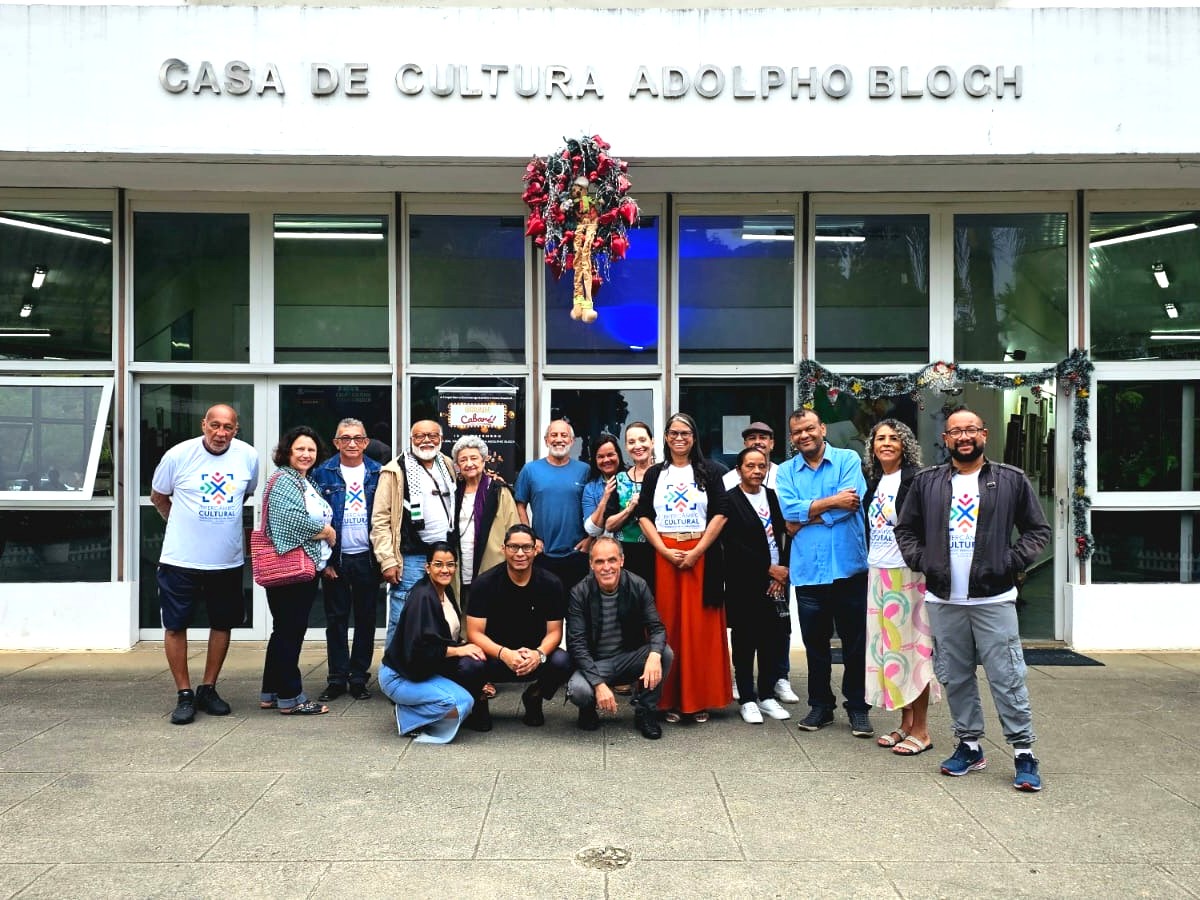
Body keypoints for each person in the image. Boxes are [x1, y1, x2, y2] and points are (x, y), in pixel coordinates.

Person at [894, 406, 1051, 792]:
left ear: (984, 435)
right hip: (944, 599)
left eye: (971, 430)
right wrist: (922, 561)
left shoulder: (1010, 480)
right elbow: (906, 529)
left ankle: (1023, 753)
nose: (964, 437)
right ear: (945, 440)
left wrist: (1008, 562)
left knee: (1007, 677)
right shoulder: (928, 482)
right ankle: (969, 745)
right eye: (955, 432)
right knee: (955, 676)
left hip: (993, 599)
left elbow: (1037, 530)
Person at [150, 403, 259, 725]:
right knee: (175, 625)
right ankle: (184, 693)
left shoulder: (247, 457)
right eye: (215, 425)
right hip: (180, 559)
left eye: (228, 427)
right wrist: (184, 524)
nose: (220, 433)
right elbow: (159, 496)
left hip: (226, 561)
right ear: (204, 425)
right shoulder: (178, 455)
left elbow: (245, 496)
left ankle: (208, 688)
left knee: (222, 623)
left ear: (236, 429)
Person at [776, 408, 873, 738]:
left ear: (822, 428)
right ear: (792, 438)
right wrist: (829, 504)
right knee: (816, 646)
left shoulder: (847, 459)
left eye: (809, 429)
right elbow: (788, 510)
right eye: (797, 432)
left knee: (854, 645)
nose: (804, 436)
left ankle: (858, 707)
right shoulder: (787, 471)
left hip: (849, 568)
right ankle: (821, 706)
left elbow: (852, 505)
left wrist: (808, 517)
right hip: (809, 573)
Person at [636, 412, 731, 724]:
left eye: (685, 433)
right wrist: (663, 550)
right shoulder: (654, 475)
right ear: (665, 437)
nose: (679, 438)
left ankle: (698, 698)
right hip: (665, 556)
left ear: (694, 437)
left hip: (700, 558)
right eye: (674, 433)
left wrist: (697, 551)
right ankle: (666, 699)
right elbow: (644, 516)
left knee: (698, 630)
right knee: (669, 626)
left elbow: (720, 514)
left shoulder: (712, 471)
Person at [862, 419, 941, 756]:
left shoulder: (917, 480)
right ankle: (905, 723)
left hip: (908, 575)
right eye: (880, 438)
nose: (886, 443)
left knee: (913, 652)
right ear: (872, 446)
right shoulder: (876, 482)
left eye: (894, 438)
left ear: (905, 444)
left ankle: (922, 730)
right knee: (889, 653)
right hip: (879, 573)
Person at [259, 425, 337, 716]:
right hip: (291, 568)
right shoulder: (284, 480)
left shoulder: (303, 481)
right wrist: (327, 531)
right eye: (300, 449)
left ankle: (271, 692)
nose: (306, 454)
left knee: (284, 631)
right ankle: (292, 698)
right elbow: (289, 523)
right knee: (290, 632)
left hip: (302, 566)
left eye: (311, 450)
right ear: (287, 452)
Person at [377, 543, 489, 743]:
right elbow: (418, 650)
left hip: (423, 670)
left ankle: (421, 709)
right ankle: (407, 714)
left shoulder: (446, 592)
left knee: (471, 676)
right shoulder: (422, 597)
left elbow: (447, 636)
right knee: (461, 702)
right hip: (400, 676)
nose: (445, 570)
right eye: (438, 564)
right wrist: (460, 651)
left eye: (450, 565)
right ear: (427, 567)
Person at [465, 524, 573, 729]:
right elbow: (474, 633)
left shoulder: (551, 584)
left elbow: (555, 632)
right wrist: (504, 653)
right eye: (514, 547)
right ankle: (479, 704)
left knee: (563, 660)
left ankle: (534, 696)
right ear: (503, 548)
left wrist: (538, 654)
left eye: (526, 547)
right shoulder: (484, 583)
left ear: (535, 549)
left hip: (533, 658)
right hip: (496, 658)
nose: (520, 553)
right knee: (468, 664)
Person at [722, 420, 799, 706]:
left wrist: (782, 574)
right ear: (739, 469)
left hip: (776, 579)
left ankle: (768, 693)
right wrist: (768, 568)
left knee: (773, 635)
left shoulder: (772, 496)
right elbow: (731, 544)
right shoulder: (729, 499)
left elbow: (786, 533)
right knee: (745, 639)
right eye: (750, 466)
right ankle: (747, 697)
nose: (756, 471)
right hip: (746, 579)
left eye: (761, 467)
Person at [566, 537, 673, 740]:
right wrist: (598, 684)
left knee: (664, 653)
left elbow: (657, 628)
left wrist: (654, 655)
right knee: (579, 690)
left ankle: (645, 712)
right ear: (591, 564)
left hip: (628, 658)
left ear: (622, 560)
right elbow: (576, 644)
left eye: (612, 560)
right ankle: (588, 710)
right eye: (599, 561)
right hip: (596, 663)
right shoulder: (579, 592)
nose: (606, 567)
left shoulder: (637, 585)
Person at [312, 418, 382, 703]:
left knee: (366, 619)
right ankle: (337, 678)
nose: (351, 443)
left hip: (367, 558)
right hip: (336, 558)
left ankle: (358, 678)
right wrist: (324, 561)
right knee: (336, 619)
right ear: (336, 442)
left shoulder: (379, 473)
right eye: (345, 438)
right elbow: (314, 517)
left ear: (366, 442)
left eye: (357, 438)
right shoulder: (322, 473)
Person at [371, 419, 457, 647]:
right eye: (419, 436)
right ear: (411, 440)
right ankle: (393, 674)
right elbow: (380, 519)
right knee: (403, 616)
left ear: (441, 439)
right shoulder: (394, 471)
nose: (426, 440)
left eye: (432, 435)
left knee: (440, 615)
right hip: (411, 557)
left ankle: (430, 670)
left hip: (444, 556)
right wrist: (387, 559)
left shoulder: (447, 465)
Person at [514, 419, 591, 590]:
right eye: (554, 435)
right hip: (542, 553)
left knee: (576, 608)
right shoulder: (530, 470)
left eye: (564, 435)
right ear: (546, 440)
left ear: (571, 441)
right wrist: (530, 538)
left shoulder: (584, 470)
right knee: (544, 609)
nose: (559, 439)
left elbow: (594, 506)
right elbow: (520, 504)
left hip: (576, 553)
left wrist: (589, 539)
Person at [452, 434, 520, 610]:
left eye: (474, 458)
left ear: (483, 461)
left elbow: (514, 531)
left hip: (491, 565)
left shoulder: (499, 492)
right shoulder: (453, 493)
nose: (469, 464)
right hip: (460, 565)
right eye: (463, 460)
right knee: (464, 614)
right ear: (458, 466)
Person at [620, 421, 657, 586]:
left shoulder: (666, 474)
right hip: (627, 552)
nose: (638, 446)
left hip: (660, 549)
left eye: (642, 439)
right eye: (631, 441)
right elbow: (609, 523)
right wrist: (630, 509)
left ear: (652, 442)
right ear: (626, 447)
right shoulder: (620, 479)